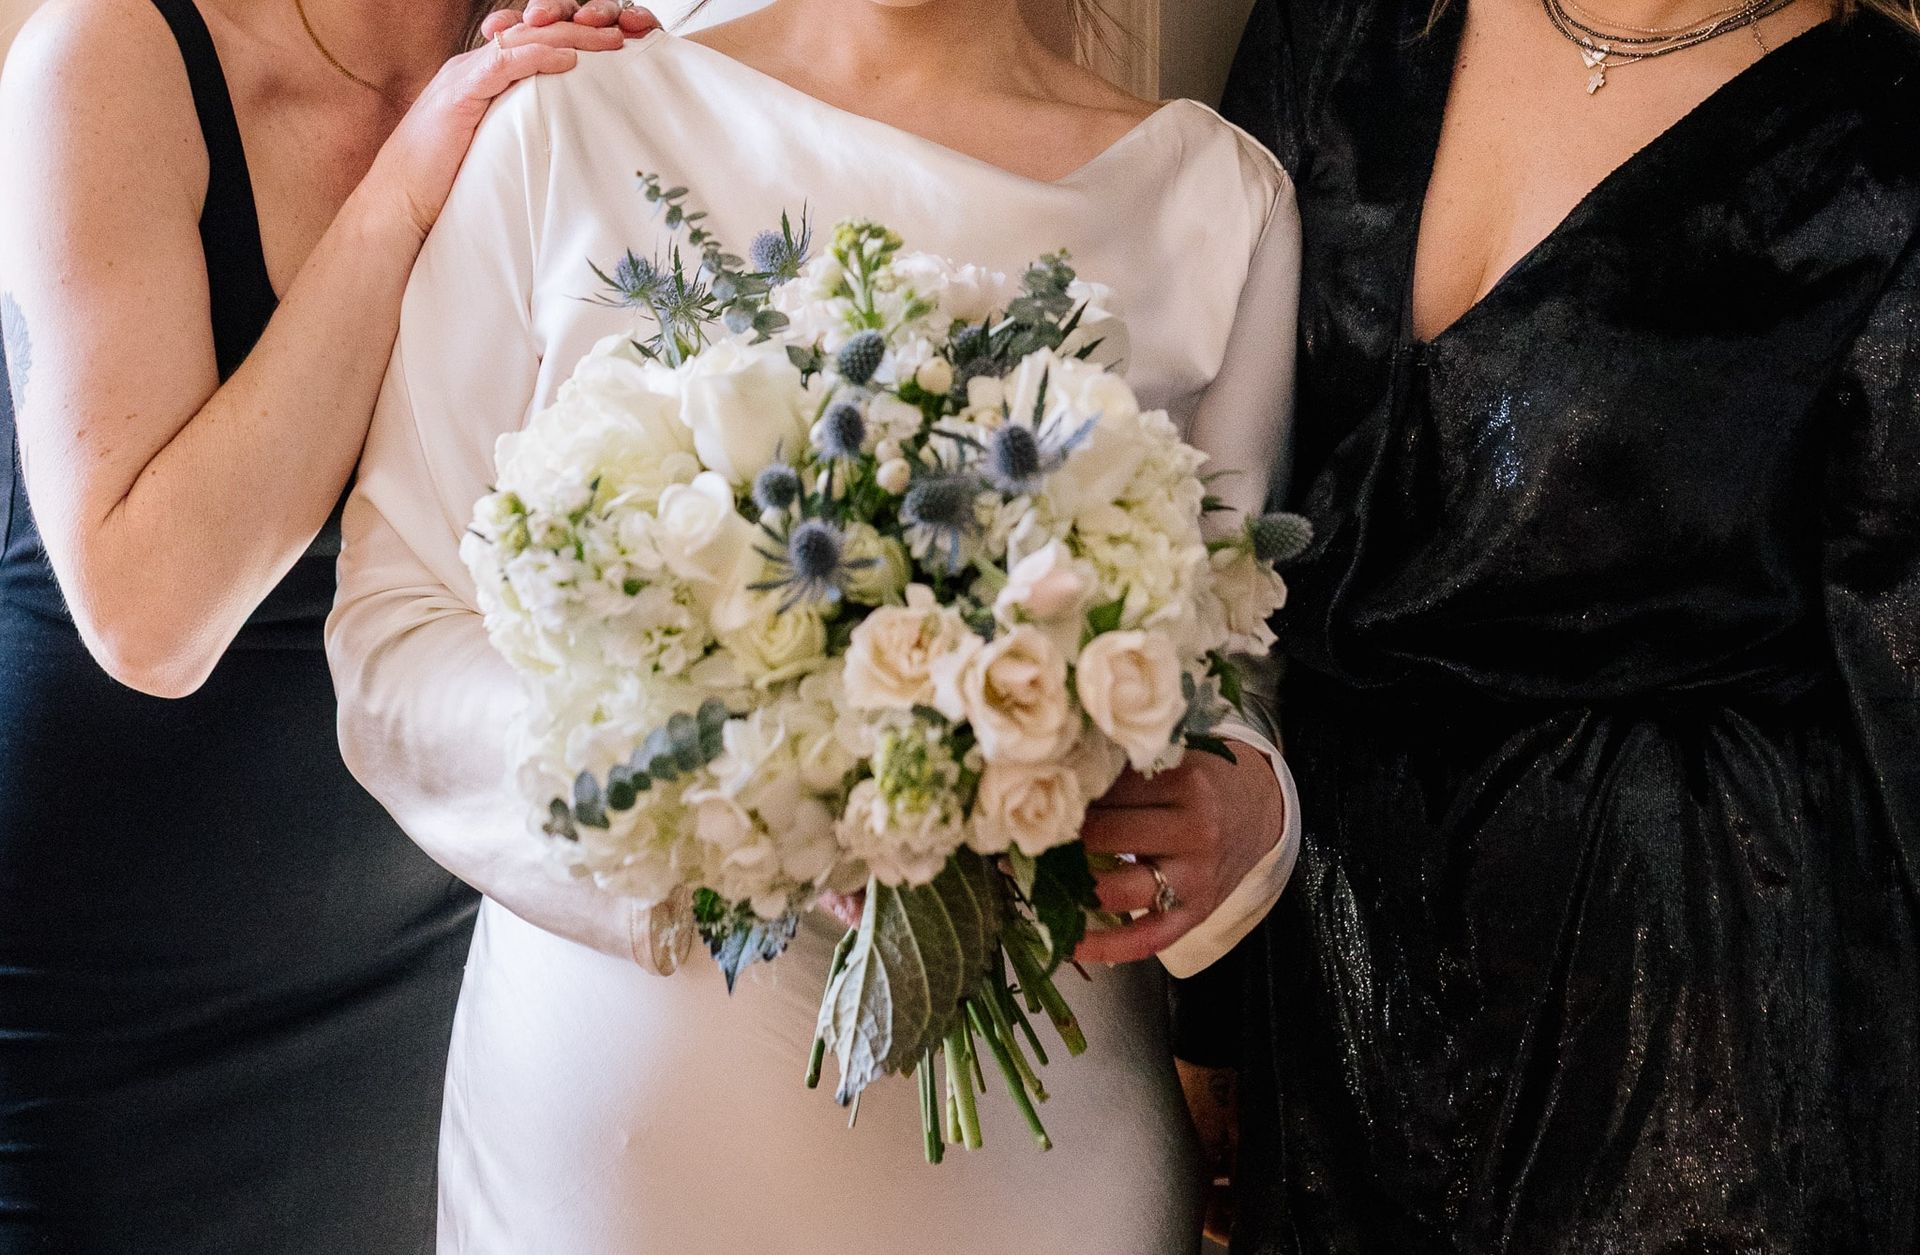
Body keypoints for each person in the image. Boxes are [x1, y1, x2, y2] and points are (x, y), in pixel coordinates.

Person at [325, 0, 1303, 1249]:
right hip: (618, 1139)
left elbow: (1226, 665)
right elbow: (396, 634)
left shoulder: (1216, 198)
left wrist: (1248, 813)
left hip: (1035, 1156)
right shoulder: (564, 124)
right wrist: (714, 783)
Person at [1211, 0, 1920, 1246]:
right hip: (1330, 973)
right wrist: (1203, 1010)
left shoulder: (1885, 139)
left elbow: (1898, 682)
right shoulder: (1332, 36)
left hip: (1687, 1013)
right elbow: (1203, 508)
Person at [0, 1, 653, 1249]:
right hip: (106, 979)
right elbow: (151, 615)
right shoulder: (109, 54)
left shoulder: (589, 53)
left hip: (431, 948)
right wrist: (409, 186)